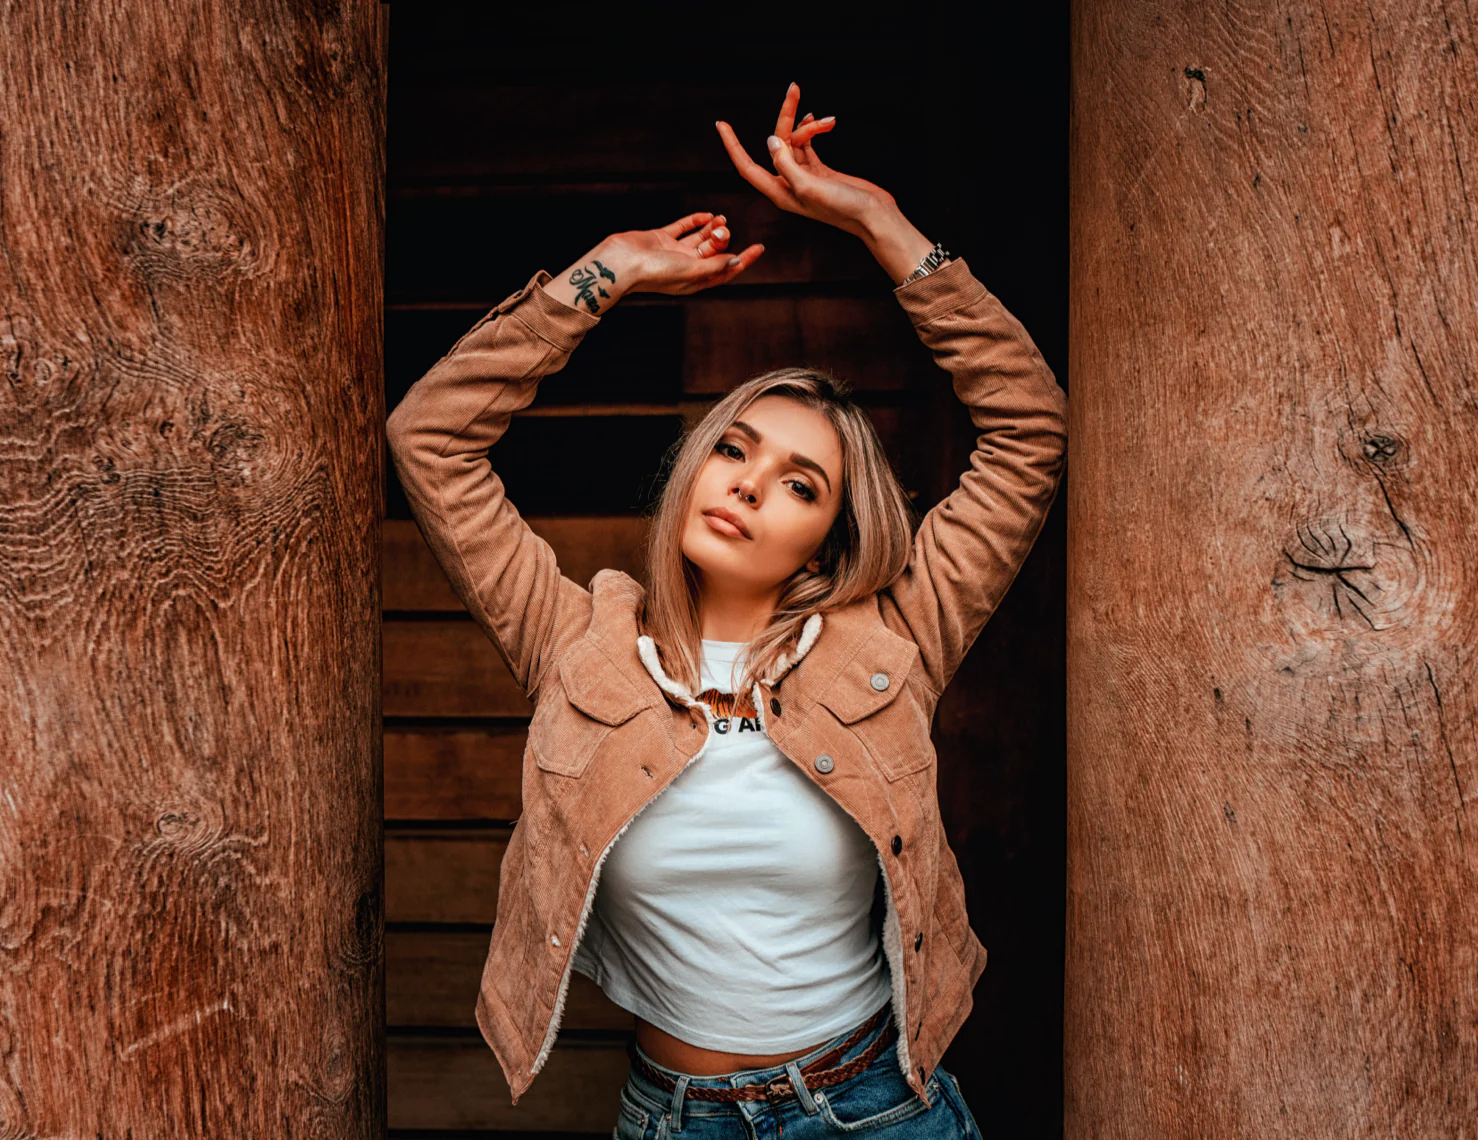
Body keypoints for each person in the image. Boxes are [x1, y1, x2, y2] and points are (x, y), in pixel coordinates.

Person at [386, 81, 1067, 1139]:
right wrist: (603, 272)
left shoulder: (896, 638)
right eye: (736, 451)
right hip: (674, 1118)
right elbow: (429, 439)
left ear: (830, 539)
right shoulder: (577, 644)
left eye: (801, 485)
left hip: (878, 1110)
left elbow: (1025, 431)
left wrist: (876, 224)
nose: (749, 486)